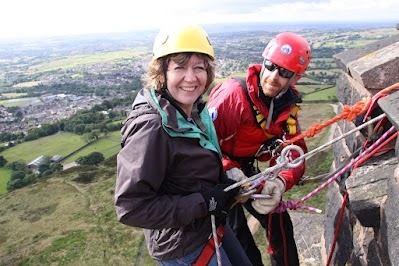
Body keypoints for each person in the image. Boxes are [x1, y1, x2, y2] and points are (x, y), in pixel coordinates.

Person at [114, 24, 252, 266]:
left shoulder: (193, 111)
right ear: (162, 74)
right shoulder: (153, 127)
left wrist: (221, 186)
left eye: (199, 67)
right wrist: (205, 201)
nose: (191, 77)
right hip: (183, 246)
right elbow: (130, 207)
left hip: (206, 225)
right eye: (180, 68)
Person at [207, 32, 312, 266]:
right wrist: (228, 170)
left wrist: (281, 181)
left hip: (245, 169)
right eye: (271, 66)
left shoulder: (286, 106)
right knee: (237, 232)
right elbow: (203, 143)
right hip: (216, 172)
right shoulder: (233, 96)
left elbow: (294, 151)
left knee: (278, 220)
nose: (274, 76)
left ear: (294, 79)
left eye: (284, 72)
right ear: (263, 62)